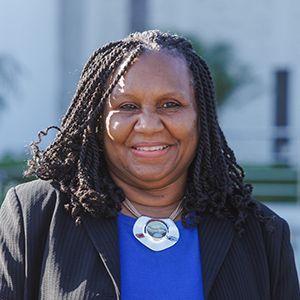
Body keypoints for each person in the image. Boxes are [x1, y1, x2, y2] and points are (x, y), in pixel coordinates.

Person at [0, 30, 299, 300]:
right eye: (127, 106)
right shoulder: (33, 215)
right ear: (96, 121)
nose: (148, 125)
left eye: (170, 104)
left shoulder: (262, 233)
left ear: (201, 118)